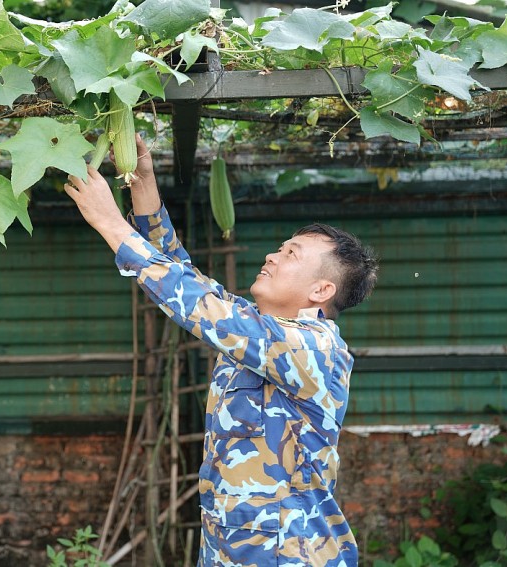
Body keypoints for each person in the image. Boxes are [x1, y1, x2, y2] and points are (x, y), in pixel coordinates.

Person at [64, 135, 378, 567]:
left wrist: (111, 224)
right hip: (230, 551)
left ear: (321, 290)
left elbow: (196, 303)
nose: (272, 255)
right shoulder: (263, 330)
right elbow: (181, 274)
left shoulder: (312, 347)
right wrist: (142, 182)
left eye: (290, 254)